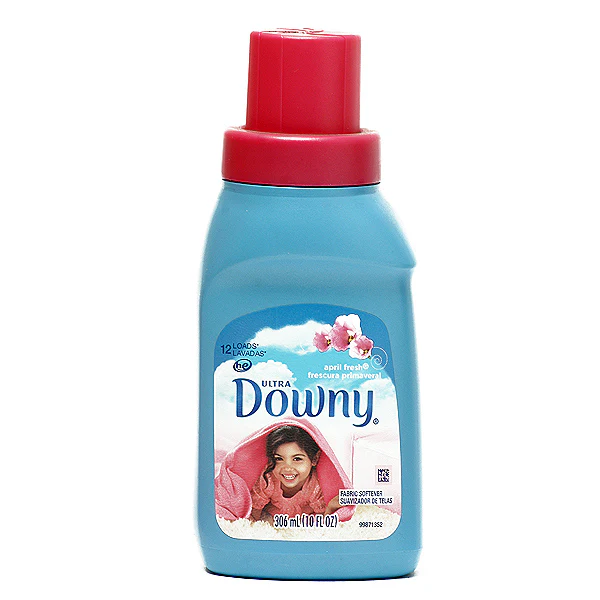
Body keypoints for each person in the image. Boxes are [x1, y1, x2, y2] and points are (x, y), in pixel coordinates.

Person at [250, 425, 341, 522]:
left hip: (304, 521)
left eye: (297, 459)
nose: (287, 468)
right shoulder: (268, 479)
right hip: (272, 519)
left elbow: (322, 519)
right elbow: (253, 513)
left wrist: (331, 507)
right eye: (279, 459)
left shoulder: (315, 484)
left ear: (314, 459)